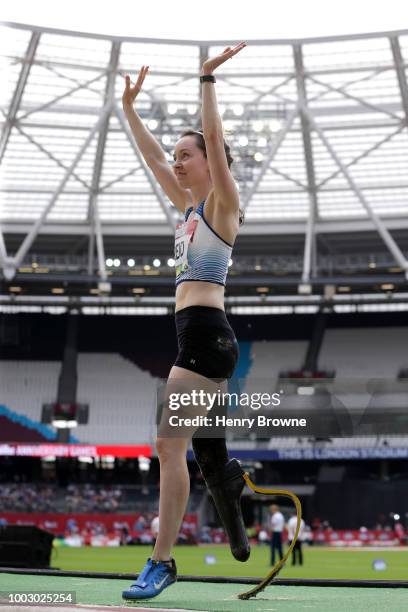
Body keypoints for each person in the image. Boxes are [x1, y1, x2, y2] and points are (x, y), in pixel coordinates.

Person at [121, 42, 247, 601]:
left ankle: (162, 559)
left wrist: (206, 80)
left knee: (169, 448)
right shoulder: (189, 210)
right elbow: (151, 161)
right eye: (176, 154)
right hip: (201, 338)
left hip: (204, 338)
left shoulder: (222, 205)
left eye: (186, 154)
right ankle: (236, 523)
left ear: (208, 162)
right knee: (206, 456)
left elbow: (215, 141)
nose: (176, 160)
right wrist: (130, 110)